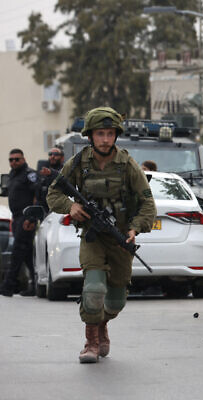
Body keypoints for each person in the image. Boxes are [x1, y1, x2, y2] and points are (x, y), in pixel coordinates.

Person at [47, 107, 156, 364]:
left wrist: (134, 228)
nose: (105, 139)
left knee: (116, 302)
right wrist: (71, 207)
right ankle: (91, 342)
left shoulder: (127, 164)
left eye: (110, 134)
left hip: (120, 239)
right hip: (92, 238)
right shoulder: (78, 164)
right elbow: (53, 194)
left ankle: (102, 324)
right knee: (94, 289)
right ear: (90, 136)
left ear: (116, 136)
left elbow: (147, 204)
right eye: (100, 134)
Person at [0, 149, 39, 297]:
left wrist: (31, 218)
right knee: (27, 254)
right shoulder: (12, 175)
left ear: (23, 159)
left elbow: (37, 195)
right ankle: (34, 286)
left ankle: (8, 286)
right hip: (16, 218)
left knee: (17, 251)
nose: (14, 162)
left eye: (17, 159)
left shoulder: (29, 174)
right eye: (11, 160)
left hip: (26, 217)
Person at [37, 147, 65, 213]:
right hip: (43, 209)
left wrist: (52, 174)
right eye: (50, 154)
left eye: (56, 154)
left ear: (62, 158)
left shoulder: (64, 171)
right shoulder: (43, 171)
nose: (52, 156)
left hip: (58, 208)